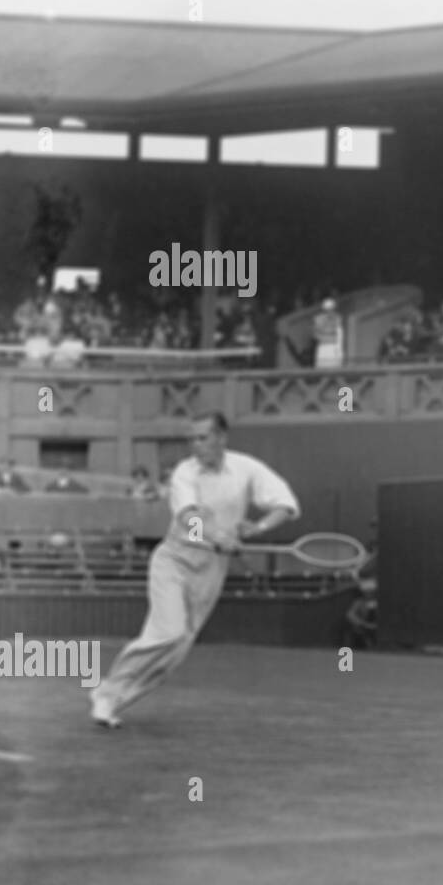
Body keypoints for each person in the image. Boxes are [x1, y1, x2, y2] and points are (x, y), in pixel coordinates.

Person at [89, 411, 300, 728]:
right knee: (168, 632)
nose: (195, 445)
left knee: (175, 653)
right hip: (174, 560)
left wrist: (256, 528)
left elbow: (285, 504)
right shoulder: (183, 473)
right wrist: (217, 536)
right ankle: (106, 693)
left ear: (221, 438)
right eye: (192, 438)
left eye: (202, 437)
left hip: (212, 571)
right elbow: (189, 517)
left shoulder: (247, 468)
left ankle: (113, 700)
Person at [313, 297, 344, 368]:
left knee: (335, 368)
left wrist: (339, 350)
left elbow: (340, 336)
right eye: (328, 309)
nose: (330, 311)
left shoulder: (338, 319)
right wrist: (325, 335)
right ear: (324, 310)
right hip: (323, 348)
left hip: (334, 348)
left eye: (331, 309)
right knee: (322, 368)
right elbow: (316, 335)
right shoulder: (318, 319)